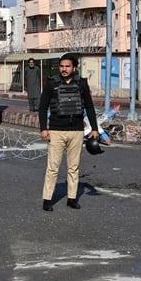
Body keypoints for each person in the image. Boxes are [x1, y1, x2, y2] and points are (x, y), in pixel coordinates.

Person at [38, 53, 99, 211]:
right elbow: (43, 107)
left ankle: (72, 198)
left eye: (67, 66)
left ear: (74, 68)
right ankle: (47, 199)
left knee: (73, 167)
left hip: (76, 131)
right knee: (53, 167)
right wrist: (43, 129)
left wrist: (94, 129)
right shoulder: (52, 84)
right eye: (62, 66)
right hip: (56, 130)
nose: (64, 69)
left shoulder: (81, 84)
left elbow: (89, 107)